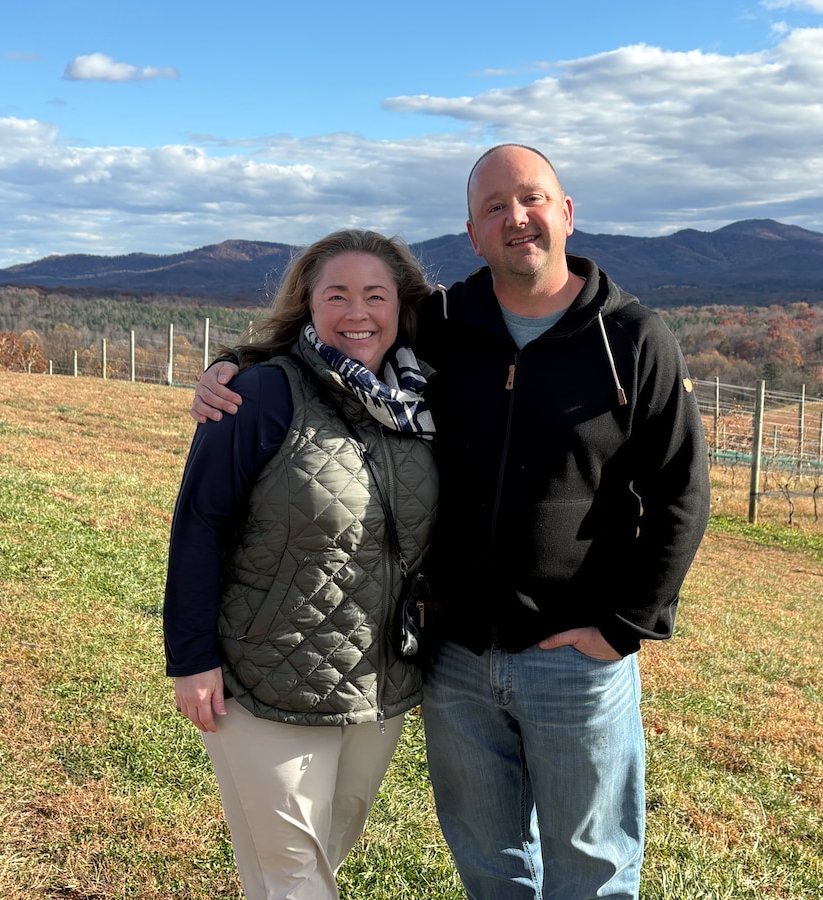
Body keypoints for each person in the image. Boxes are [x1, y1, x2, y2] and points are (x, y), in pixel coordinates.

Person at [191, 145, 711, 899]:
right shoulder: (441, 323)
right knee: (490, 863)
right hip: (455, 657)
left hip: (575, 658)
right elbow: (336, 336)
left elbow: (681, 493)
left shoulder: (630, 338)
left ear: (566, 213)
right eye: (494, 207)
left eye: (531, 199)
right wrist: (234, 363)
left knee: (591, 868)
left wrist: (624, 625)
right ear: (473, 233)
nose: (516, 218)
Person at [165, 229, 438, 900]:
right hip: (266, 679)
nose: (357, 313)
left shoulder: (422, 401)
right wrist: (191, 658)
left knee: (315, 860)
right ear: (307, 305)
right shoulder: (260, 394)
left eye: (375, 296)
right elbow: (199, 524)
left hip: (377, 681)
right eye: (336, 295)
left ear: (401, 306)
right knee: (296, 877)